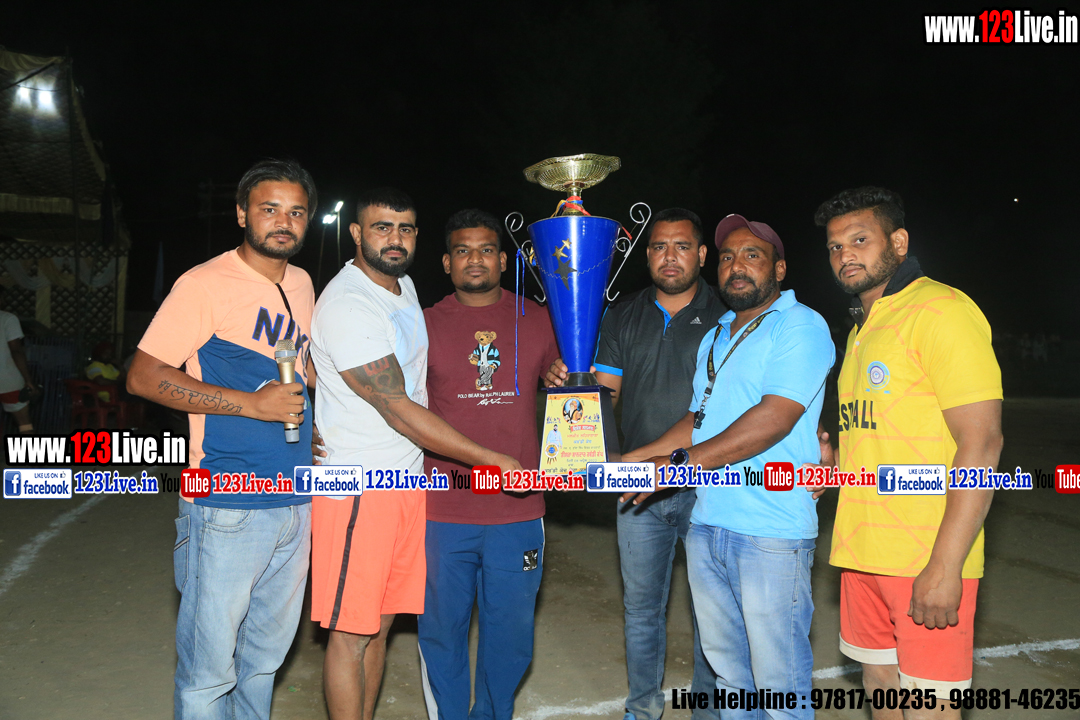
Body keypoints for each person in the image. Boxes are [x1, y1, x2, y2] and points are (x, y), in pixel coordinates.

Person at [309, 190, 523, 720]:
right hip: (359, 487)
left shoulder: (401, 287)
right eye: (381, 227)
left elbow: (324, 367)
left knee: (379, 627)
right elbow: (399, 408)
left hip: (404, 484)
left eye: (405, 229)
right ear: (356, 233)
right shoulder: (349, 302)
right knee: (350, 635)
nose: (395, 239)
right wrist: (487, 458)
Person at [127, 158, 317, 719]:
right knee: (209, 674)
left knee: (262, 662)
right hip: (226, 500)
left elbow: (299, 371)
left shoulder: (303, 283)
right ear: (241, 214)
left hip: (296, 499)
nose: (283, 222)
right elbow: (143, 376)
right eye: (269, 209)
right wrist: (251, 405)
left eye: (296, 212)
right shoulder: (203, 283)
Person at [624, 214, 834, 720]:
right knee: (730, 680)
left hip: (770, 531)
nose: (737, 266)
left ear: (779, 268)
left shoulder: (801, 324)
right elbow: (698, 418)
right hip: (707, 525)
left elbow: (774, 418)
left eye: (752, 255)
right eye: (727, 257)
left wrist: (674, 467)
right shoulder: (717, 334)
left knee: (779, 686)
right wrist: (628, 462)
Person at [813, 187, 1002, 719]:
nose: (845, 255)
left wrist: (946, 564)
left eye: (859, 240)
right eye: (834, 247)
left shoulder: (942, 310)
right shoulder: (861, 328)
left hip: (925, 555)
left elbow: (982, 442)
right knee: (881, 687)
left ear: (898, 242)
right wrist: (834, 463)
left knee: (929, 705)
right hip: (860, 553)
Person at [547, 208, 725, 720]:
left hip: (709, 483)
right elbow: (605, 394)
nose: (670, 256)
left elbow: (714, 412)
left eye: (681, 246)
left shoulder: (727, 314)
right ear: (646, 255)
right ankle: (642, 709)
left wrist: (634, 459)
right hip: (636, 489)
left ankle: (708, 711)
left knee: (712, 612)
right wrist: (574, 384)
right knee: (642, 609)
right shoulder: (623, 313)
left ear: (701, 255)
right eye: (659, 247)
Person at [417, 209, 559, 720]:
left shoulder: (540, 318)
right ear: (446, 262)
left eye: (485, 250)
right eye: (462, 250)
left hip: (517, 509)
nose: (474, 259)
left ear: (502, 260)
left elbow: (569, 383)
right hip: (442, 510)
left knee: (510, 633)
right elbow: (394, 404)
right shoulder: (422, 323)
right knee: (441, 630)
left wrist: (565, 375)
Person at [0, 288, 38, 433]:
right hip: (7, 380)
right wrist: (28, 380)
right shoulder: (8, 319)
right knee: (24, 423)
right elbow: (16, 350)